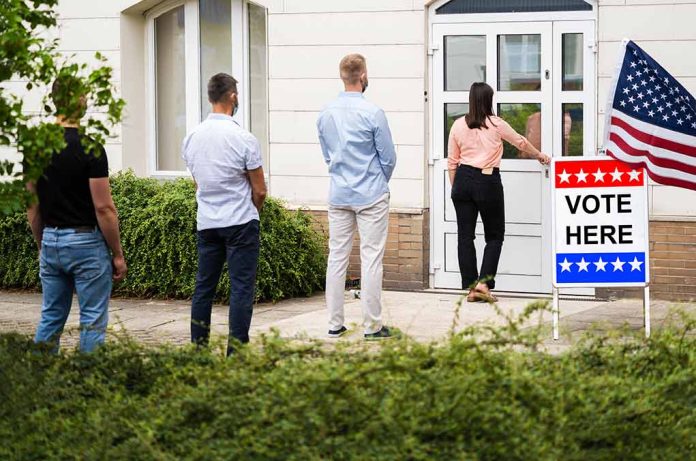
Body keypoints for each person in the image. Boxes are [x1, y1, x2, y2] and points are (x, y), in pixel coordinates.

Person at [28, 75, 127, 353]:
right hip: (86, 244)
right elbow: (104, 207)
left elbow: (32, 205)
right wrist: (117, 253)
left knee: (50, 316)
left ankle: (39, 379)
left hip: (51, 241)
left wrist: (42, 244)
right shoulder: (91, 148)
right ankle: (87, 385)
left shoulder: (36, 147)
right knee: (93, 320)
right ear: (80, 100)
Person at [182, 73, 267, 356]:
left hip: (207, 223)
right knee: (241, 288)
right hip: (241, 222)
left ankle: (199, 350)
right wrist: (254, 213)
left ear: (210, 98)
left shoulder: (191, 138)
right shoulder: (243, 138)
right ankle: (236, 353)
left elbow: (198, 181)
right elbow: (260, 190)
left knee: (203, 287)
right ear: (233, 96)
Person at [317, 53, 397, 340]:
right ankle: (372, 326)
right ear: (363, 76)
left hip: (339, 193)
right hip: (370, 193)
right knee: (371, 258)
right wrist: (377, 182)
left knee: (336, 257)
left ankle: (334, 324)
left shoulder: (326, 113)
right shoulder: (373, 113)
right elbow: (388, 157)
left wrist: (342, 173)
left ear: (342, 76)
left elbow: (327, 154)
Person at [447, 82, 550, 303]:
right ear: (488, 100)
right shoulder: (496, 124)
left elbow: (452, 162)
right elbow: (521, 143)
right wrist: (539, 155)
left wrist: (456, 188)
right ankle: (483, 284)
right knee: (494, 235)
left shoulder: (457, 125)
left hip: (463, 180)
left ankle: (472, 286)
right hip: (487, 180)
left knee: (465, 236)